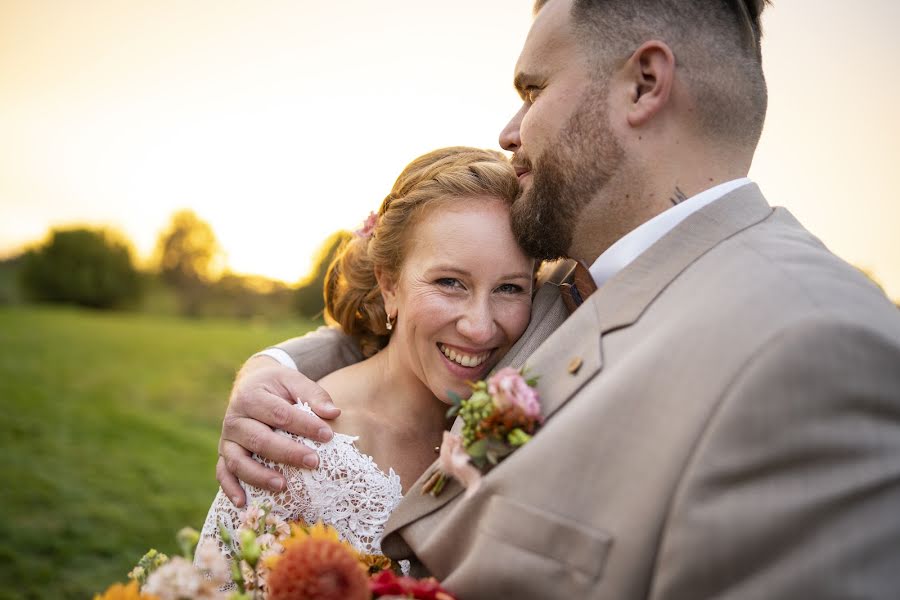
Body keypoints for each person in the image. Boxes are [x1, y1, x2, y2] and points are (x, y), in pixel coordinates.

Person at [216, 0, 900, 597]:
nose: (510, 131)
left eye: (533, 89)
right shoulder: (574, 272)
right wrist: (270, 370)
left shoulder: (818, 346)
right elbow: (401, 333)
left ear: (644, 84)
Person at [198, 146, 534, 569]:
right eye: (450, 282)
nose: (481, 327)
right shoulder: (302, 447)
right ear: (389, 285)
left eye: (510, 288)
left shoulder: (512, 427)